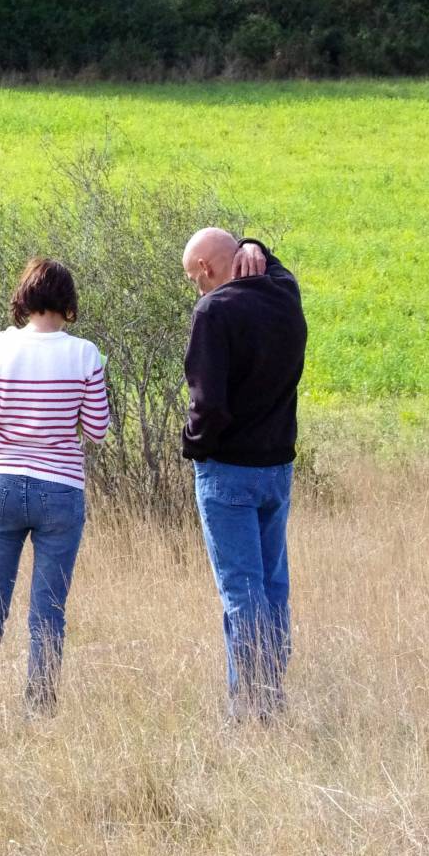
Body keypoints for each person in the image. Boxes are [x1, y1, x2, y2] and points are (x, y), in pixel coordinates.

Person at [0, 257, 111, 711]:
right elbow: (97, 430)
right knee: (48, 610)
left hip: (3, 482)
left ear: (26, 298)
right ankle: (38, 710)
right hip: (61, 488)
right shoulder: (85, 354)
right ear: (67, 302)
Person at [181, 228, 305, 719]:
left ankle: (249, 708)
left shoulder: (214, 312)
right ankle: (271, 697)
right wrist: (253, 243)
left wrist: (193, 446)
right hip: (277, 468)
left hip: (228, 472)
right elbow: (269, 261)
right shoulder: (285, 292)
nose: (197, 288)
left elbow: (207, 405)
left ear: (206, 271)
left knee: (241, 592)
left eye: (195, 278)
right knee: (273, 587)